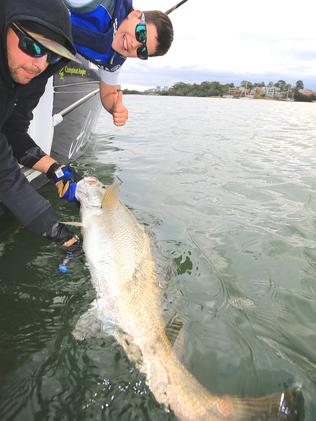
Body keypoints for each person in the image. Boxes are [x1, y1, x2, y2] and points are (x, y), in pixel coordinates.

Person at [0, 0, 81, 250]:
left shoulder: (34, 72)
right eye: (33, 45)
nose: (40, 64)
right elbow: (4, 176)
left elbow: (12, 130)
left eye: (53, 55)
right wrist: (58, 233)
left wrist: (54, 169)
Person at [65, 0, 174, 126]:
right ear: (134, 15)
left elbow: (108, 93)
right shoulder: (103, 5)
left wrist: (115, 108)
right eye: (141, 34)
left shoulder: (114, 59)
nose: (134, 45)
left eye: (142, 50)